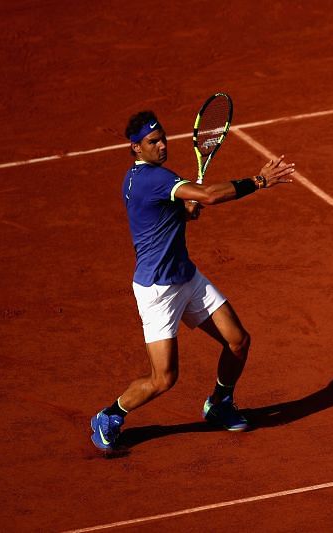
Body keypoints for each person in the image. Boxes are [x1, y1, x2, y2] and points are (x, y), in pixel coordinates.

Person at [90, 110, 295, 451]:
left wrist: (184, 210)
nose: (162, 146)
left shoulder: (142, 178)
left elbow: (169, 213)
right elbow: (210, 196)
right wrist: (258, 182)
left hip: (186, 276)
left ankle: (219, 404)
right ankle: (109, 414)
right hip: (158, 291)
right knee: (164, 379)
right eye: (153, 142)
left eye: (163, 139)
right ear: (136, 148)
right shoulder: (153, 179)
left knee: (238, 341)